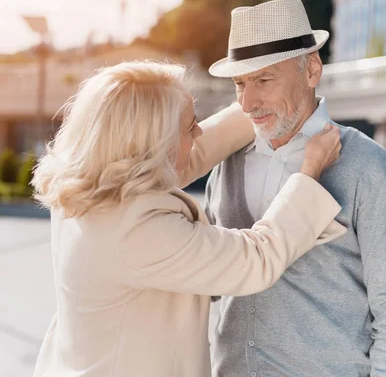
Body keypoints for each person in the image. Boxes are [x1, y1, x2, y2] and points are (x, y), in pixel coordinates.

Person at [30, 61, 346, 377]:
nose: (198, 132)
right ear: (155, 145)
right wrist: (310, 171)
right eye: (189, 126)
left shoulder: (86, 189)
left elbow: (188, 157)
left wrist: (258, 106)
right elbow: (256, 258)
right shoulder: (137, 232)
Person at [206, 0, 386, 376]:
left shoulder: (368, 168)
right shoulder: (226, 167)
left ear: (311, 70)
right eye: (239, 83)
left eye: (263, 79)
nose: (247, 102)